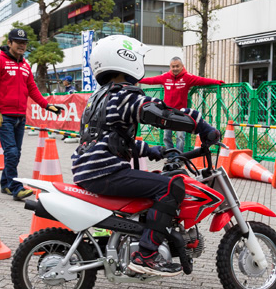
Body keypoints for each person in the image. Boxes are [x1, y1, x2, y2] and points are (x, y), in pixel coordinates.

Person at [72, 36, 220, 276]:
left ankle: (141, 239)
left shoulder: (99, 97)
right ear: (126, 59)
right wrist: (202, 126)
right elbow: (161, 113)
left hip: (90, 170)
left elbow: (114, 141)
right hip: (106, 172)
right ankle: (147, 253)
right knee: (173, 186)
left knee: (154, 179)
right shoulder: (124, 96)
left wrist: (156, 151)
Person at [0, 28, 61, 201]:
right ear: (9, 43)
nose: (22, 45)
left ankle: (5, 183)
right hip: (3, 115)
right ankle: (16, 187)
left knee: (16, 152)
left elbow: (32, 89)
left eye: (24, 43)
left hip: (20, 115)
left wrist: (47, 106)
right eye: (18, 42)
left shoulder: (25, 65)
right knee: (11, 152)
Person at [139, 57, 223, 158]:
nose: (175, 68)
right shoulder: (165, 77)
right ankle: (171, 157)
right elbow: (151, 80)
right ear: (170, 67)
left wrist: (216, 82)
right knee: (166, 137)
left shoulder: (187, 77)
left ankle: (180, 158)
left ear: (182, 66)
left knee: (180, 137)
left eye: (177, 66)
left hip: (181, 114)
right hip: (167, 113)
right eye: (173, 66)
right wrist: (137, 80)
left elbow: (202, 80)